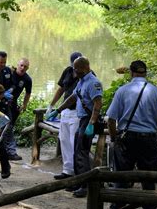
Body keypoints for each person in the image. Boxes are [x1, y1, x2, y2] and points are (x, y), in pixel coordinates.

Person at [106, 60, 157, 209]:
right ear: (145, 73)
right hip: (149, 140)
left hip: (126, 139)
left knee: (121, 179)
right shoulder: (155, 91)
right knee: (149, 181)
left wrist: (114, 138)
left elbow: (111, 119)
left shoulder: (122, 91)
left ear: (131, 73)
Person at [46, 56, 103, 198]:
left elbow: (98, 104)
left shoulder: (93, 82)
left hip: (87, 121)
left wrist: (91, 124)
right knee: (78, 151)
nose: (75, 73)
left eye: (77, 70)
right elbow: (73, 97)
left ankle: (85, 186)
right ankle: (78, 182)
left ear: (85, 68)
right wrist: (57, 110)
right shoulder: (81, 81)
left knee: (82, 152)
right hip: (83, 119)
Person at [46, 52, 82, 180]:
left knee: (74, 142)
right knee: (64, 140)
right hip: (65, 112)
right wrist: (51, 105)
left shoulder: (87, 74)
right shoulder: (67, 71)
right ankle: (67, 170)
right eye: (74, 65)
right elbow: (61, 89)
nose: (75, 68)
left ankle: (77, 174)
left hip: (77, 113)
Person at [0, 51, 19, 163]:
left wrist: (10, 91)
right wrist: (3, 94)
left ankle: (11, 152)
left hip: (6, 104)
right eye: (0, 62)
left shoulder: (8, 71)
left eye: (4, 62)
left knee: (8, 127)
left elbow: (14, 84)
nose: (2, 64)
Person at [7, 58, 32, 160]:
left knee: (9, 126)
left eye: (25, 67)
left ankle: (10, 151)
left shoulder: (27, 79)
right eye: (21, 65)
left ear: (27, 68)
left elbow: (28, 93)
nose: (22, 68)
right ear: (18, 64)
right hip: (0, 101)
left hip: (13, 104)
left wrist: (24, 105)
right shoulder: (9, 72)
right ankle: (8, 151)